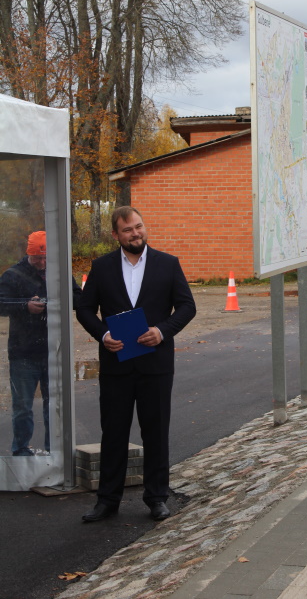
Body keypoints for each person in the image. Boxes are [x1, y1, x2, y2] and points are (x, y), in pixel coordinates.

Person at [76, 206, 196, 522]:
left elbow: (187, 306)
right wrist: (103, 335)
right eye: (128, 230)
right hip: (116, 364)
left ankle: (157, 498)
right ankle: (107, 500)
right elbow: (85, 309)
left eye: (139, 227)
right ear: (115, 234)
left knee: (155, 432)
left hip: (155, 365)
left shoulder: (167, 264)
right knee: (113, 433)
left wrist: (162, 331)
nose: (135, 233)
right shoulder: (102, 267)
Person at [0, 231, 81, 456]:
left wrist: (59, 302)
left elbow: (78, 299)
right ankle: (20, 450)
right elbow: (1, 303)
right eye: (38, 258)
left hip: (54, 350)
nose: (43, 263)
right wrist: (25, 305)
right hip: (23, 352)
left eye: (46, 258)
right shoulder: (13, 275)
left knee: (54, 405)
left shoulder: (60, 272)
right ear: (29, 254)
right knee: (22, 406)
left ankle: (53, 451)